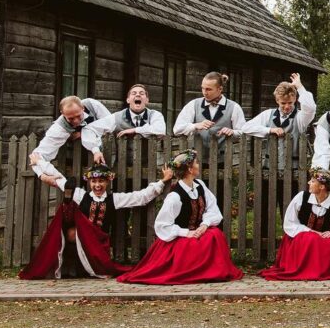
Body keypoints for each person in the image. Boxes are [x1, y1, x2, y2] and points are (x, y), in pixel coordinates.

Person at [21, 158, 171, 279]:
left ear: (107, 182)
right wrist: (39, 162)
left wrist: (163, 181)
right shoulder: (81, 195)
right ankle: (67, 202)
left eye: (101, 181)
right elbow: (58, 179)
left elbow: (140, 197)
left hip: (100, 240)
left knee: (105, 266)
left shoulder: (114, 199)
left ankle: (95, 267)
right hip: (82, 237)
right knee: (68, 217)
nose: (97, 185)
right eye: (94, 182)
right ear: (89, 182)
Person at [117, 150, 243, 284]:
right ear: (190, 169)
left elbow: (212, 208)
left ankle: (211, 270)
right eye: (196, 163)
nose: (199, 165)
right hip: (180, 238)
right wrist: (186, 233)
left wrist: (204, 224)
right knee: (193, 245)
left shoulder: (200, 185)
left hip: (198, 231)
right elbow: (162, 225)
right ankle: (199, 272)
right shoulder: (175, 197)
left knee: (215, 235)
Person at [259, 167, 330, 281]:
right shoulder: (302, 197)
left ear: (322, 187)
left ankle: (322, 270)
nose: (308, 183)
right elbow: (289, 222)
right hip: (299, 234)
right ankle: (308, 270)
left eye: (312, 181)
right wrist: (310, 231)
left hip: (322, 235)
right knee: (310, 239)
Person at [241, 73, 317, 169]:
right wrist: (270, 130)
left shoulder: (300, 117)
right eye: (283, 103)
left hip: (294, 170)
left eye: (290, 103)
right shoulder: (268, 114)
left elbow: (311, 108)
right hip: (269, 168)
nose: (287, 106)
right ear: (277, 100)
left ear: (295, 99)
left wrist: (299, 87)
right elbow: (245, 128)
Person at [172, 72, 246, 162]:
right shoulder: (193, 104)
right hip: (196, 161)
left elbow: (243, 133)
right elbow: (177, 129)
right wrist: (195, 126)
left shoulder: (234, 107)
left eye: (208, 89)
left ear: (220, 89)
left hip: (223, 161)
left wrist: (232, 132)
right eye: (202, 88)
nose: (204, 92)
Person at [86, 84, 166, 164]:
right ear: (128, 100)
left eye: (142, 93)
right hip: (121, 167)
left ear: (147, 100)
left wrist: (135, 130)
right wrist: (95, 150)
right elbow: (90, 128)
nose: (138, 95)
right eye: (134, 93)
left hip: (148, 167)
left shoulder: (154, 115)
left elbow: (160, 129)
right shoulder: (116, 117)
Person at [29, 96, 111, 173]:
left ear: (83, 108)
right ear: (62, 113)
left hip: (108, 152)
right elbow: (43, 151)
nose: (76, 121)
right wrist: (39, 163)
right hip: (75, 161)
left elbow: (110, 124)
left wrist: (84, 133)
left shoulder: (92, 105)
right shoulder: (59, 127)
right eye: (71, 118)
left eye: (78, 116)